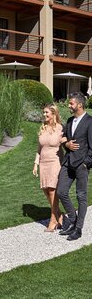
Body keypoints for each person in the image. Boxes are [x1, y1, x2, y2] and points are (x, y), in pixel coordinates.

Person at [57, 92, 92, 241]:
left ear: (79, 104)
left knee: (81, 196)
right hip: (68, 162)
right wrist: (66, 144)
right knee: (61, 191)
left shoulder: (90, 122)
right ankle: (72, 219)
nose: (69, 106)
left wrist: (86, 163)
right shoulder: (70, 120)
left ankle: (78, 229)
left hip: (81, 165)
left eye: (71, 103)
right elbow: (64, 137)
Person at [33, 104, 65, 232]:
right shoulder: (43, 128)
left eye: (47, 112)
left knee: (52, 190)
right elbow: (39, 148)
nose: (44, 115)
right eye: (44, 112)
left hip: (55, 162)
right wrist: (36, 163)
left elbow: (65, 145)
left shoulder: (60, 129)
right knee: (46, 190)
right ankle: (59, 214)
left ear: (53, 114)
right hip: (44, 163)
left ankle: (53, 219)